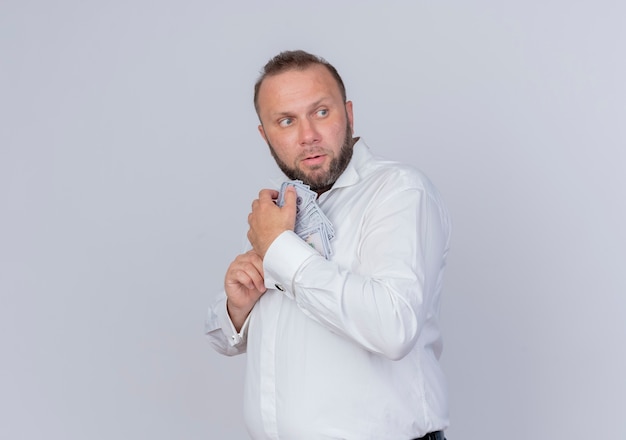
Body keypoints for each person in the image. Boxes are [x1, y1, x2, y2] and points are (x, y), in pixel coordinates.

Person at [205, 50, 451, 440]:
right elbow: (226, 339)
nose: (308, 136)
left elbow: (393, 327)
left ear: (349, 114)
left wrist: (280, 249)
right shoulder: (279, 211)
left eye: (321, 112)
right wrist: (237, 309)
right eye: (286, 121)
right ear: (265, 134)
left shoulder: (400, 191)